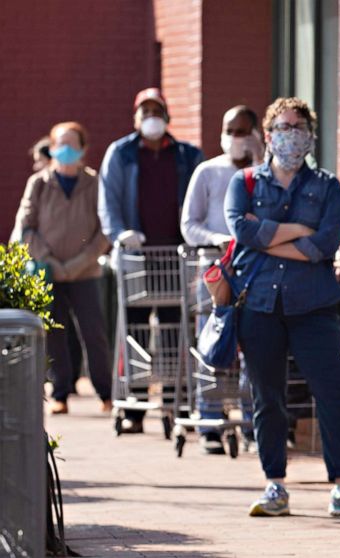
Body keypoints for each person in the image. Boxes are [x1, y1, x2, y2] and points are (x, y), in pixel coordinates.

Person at [225, 96, 340, 519]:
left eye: (298, 127)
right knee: (268, 397)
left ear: (311, 136)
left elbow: (325, 245)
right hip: (258, 303)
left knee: (334, 392)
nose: (290, 135)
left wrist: (273, 235)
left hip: (314, 305)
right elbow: (242, 231)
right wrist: (298, 231)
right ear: (268, 135)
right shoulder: (244, 183)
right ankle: (274, 485)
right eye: (282, 127)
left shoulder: (327, 186)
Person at [99, 87, 204, 433]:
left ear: (167, 116)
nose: (151, 118)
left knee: (177, 331)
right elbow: (109, 200)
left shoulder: (187, 155)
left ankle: (175, 404)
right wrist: (119, 234)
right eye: (144, 112)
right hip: (137, 257)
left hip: (175, 256)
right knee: (136, 332)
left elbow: (196, 198)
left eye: (156, 110)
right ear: (135, 118)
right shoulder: (122, 153)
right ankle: (135, 407)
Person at [13, 122, 113, 414]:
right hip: (49, 272)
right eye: (61, 144)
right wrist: (53, 263)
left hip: (85, 273)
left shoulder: (94, 182)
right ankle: (60, 392)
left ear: (83, 149)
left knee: (93, 333)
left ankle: (105, 393)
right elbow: (26, 227)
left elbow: (103, 231)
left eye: (73, 144)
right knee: (53, 333)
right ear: (52, 148)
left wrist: (78, 264)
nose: (66, 150)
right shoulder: (39, 183)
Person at [181, 105, 264, 454]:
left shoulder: (266, 174)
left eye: (243, 131)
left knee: (255, 348)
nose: (235, 138)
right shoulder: (207, 171)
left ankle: (250, 421)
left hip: (255, 269)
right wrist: (216, 239)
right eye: (230, 131)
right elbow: (188, 224)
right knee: (212, 344)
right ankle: (211, 421)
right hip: (214, 269)